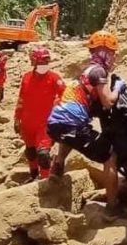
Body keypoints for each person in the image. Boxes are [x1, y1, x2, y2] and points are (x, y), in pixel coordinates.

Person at [48, 31, 120, 211]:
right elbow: (108, 102)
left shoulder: (86, 72)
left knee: (70, 135)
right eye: (111, 53)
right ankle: (112, 208)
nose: (113, 57)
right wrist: (118, 88)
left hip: (55, 122)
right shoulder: (99, 72)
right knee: (110, 156)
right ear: (104, 52)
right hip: (72, 124)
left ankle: (58, 165)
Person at [15, 47, 66, 180]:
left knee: (43, 154)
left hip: (44, 124)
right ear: (34, 62)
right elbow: (21, 99)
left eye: (45, 62)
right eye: (40, 62)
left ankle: (45, 181)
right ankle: (33, 176)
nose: (43, 65)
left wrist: (57, 105)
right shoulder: (26, 78)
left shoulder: (54, 78)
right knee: (30, 152)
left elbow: (66, 95)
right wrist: (16, 118)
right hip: (27, 123)